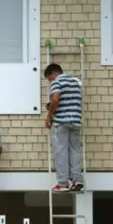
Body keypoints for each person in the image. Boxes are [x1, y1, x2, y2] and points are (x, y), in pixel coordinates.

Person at [44, 63, 84, 192]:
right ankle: (77, 180)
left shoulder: (57, 82)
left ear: (53, 74)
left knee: (61, 152)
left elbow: (56, 99)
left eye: (49, 78)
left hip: (61, 122)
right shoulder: (76, 82)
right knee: (74, 151)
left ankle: (62, 183)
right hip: (75, 121)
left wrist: (49, 116)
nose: (50, 81)